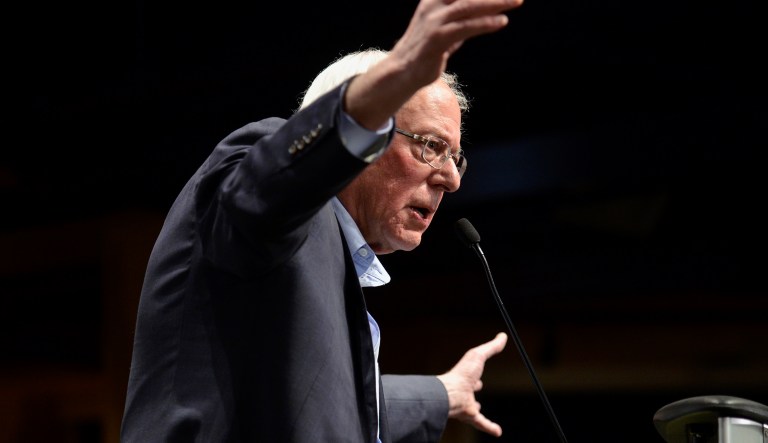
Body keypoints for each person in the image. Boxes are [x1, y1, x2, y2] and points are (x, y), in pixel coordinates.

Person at [121, 0, 524, 441]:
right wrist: (398, 73)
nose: (451, 179)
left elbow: (326, 405)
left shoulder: (329, 264)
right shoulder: (268, 190)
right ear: (364, 134)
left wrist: (444, 393)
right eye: (430, 145)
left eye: (455, 158)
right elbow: (261, 190)